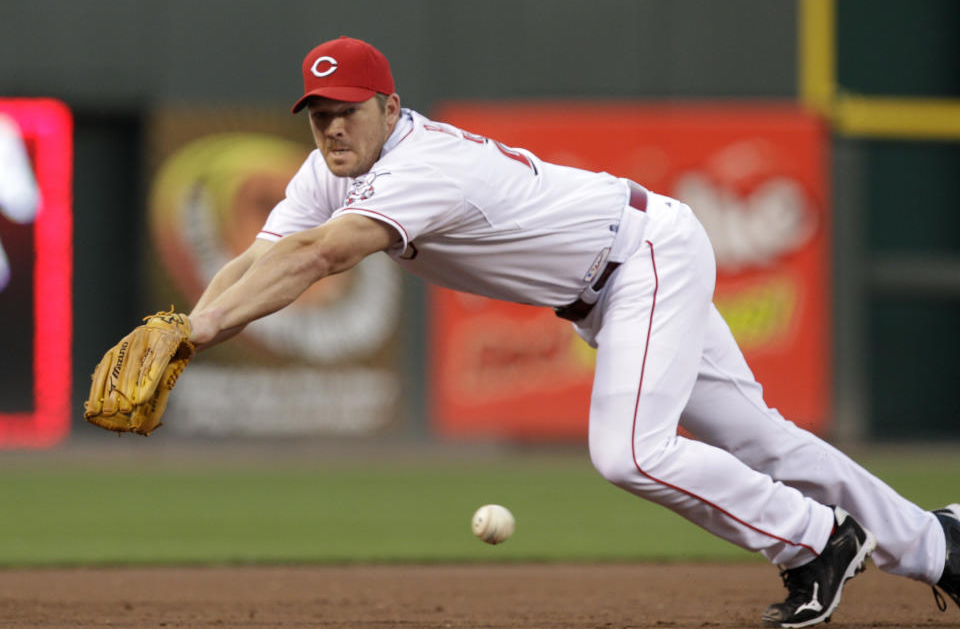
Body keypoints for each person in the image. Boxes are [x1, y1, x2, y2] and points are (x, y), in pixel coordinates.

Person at [185, 36, 960, 627]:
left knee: (630, 451)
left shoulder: (423, 165)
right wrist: (187, 329)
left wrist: (205, 330)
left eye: (348, 111)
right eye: (320, 116)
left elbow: (320, 254)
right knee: (761, 438)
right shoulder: (331, 167)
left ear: (391, 107)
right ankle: (940, 546)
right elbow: (263, 254)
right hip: (621, 274)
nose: (332, 129)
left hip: (644, 257)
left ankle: (817, 539)